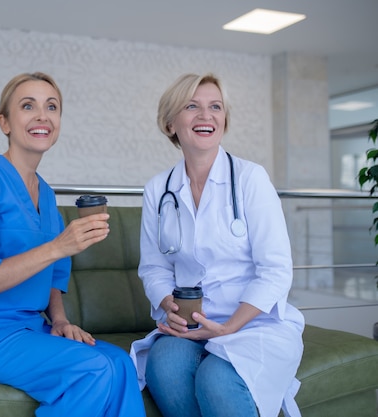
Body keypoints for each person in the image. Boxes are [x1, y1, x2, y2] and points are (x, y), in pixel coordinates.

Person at [0, 72, 146, 417]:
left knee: (120, 363)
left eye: (52, 107)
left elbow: (53, 276)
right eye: (28, 106)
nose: (43, 116)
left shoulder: (46, 193)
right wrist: (58, 246)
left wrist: (59, 320)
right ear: (5, 122)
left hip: (27, 328)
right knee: (92, 369)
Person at [130, 73, 305, 417]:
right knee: (163, 368)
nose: (205, 116)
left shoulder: (251, 179)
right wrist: (170, 307)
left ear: (224, 120)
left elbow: (276, 270)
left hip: (254, 323)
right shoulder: (157, 189)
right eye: (191, 106)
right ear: (170, 124)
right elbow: (154, 267)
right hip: (191, 324)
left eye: (215, 107)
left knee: (216, 379)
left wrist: (227, 328)